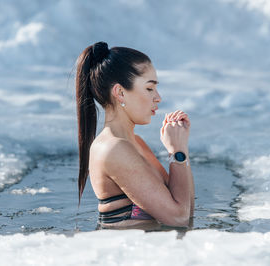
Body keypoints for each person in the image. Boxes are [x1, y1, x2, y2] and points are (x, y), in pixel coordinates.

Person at [75, 41, 194, 229]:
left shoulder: (135, 142)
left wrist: (180, 148)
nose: (158, 97)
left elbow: (186, 210)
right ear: (120, 93)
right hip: (126, 255)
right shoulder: (113, 148)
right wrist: (177, 152)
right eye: (149, 88)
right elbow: (179, 219)